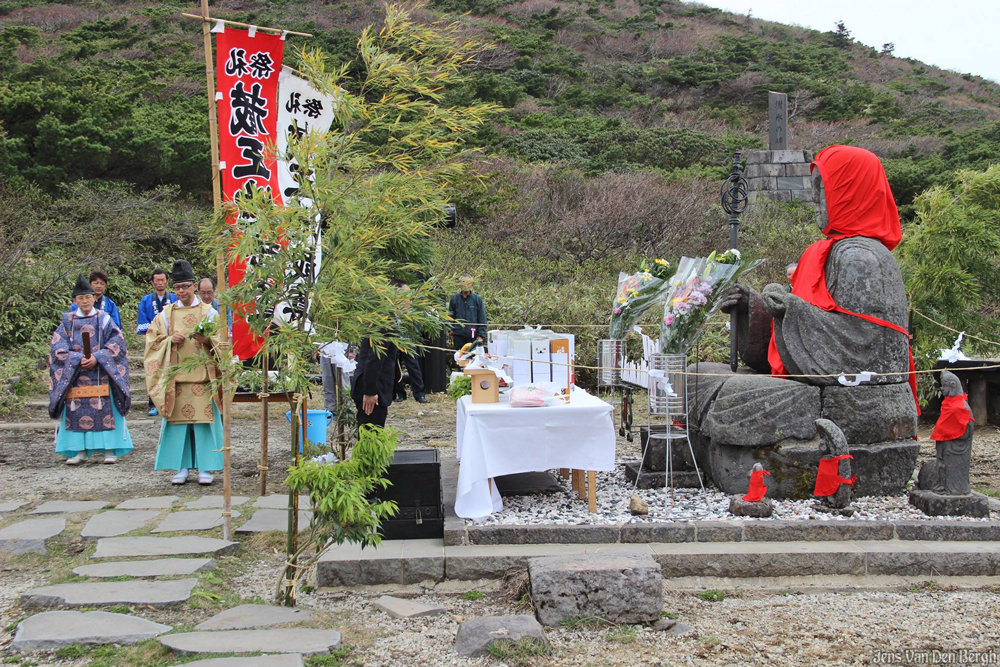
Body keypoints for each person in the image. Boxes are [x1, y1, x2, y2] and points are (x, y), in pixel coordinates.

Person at [144, 260, 226, 486]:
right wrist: (170, 340)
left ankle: (206, 468)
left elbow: (223, 342)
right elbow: (152, 341)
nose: (182, 291)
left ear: (194, 286)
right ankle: (180, 468)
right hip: (176, 378)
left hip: (202, 377)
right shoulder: (166, 314)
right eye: (178, 287)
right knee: (178, 427)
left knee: (203, 425)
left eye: (186, 286)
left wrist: (208, 340)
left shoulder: (208, 312)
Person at [49, 275, 133, 465]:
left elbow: (117, 342)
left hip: (101, 372)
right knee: (76, 410)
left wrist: (98, 357)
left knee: (105, 408)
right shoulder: (67, 321)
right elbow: (57, 346)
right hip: (76, 374)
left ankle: (109, 450)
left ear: (94, 298)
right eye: (81, 298)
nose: (85, 301)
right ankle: (80, 451)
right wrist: (77, 359)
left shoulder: (104, 319)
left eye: (88, 297)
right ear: (74, 301)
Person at [137, 269, 178, 416]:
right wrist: (157, 335)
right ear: (152, 282)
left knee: (172, 370)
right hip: (154, 342)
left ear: (167, 281)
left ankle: (172, 401)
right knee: (153, 371)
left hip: (172, 341)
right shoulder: (146, 300)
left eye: (163, 280)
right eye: (157, 280)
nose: (160, 283)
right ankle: (153, 403)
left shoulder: (175, 298)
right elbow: (143, 322)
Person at [393, 283, 427, 403]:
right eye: (407, 295)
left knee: (414, 367)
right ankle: (400, 393)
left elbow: (416, 327)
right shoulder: (392, 310)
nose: (410, 298)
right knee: (396, 368)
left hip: (408, 342)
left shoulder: (411, 309)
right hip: (396, 342)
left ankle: (419, 393)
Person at [448, 274, 487, 351]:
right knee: (459, 359)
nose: (466, 285)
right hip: (458, 335)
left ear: (472, 284)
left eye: (468, 283)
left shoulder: (477, 299)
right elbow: (450, 316)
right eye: (463, 283)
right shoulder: (454, 299)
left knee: (473, 359)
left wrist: (481, 335)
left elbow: (482, 318)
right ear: (460, 285)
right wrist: (450, 329)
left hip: (473, 335)